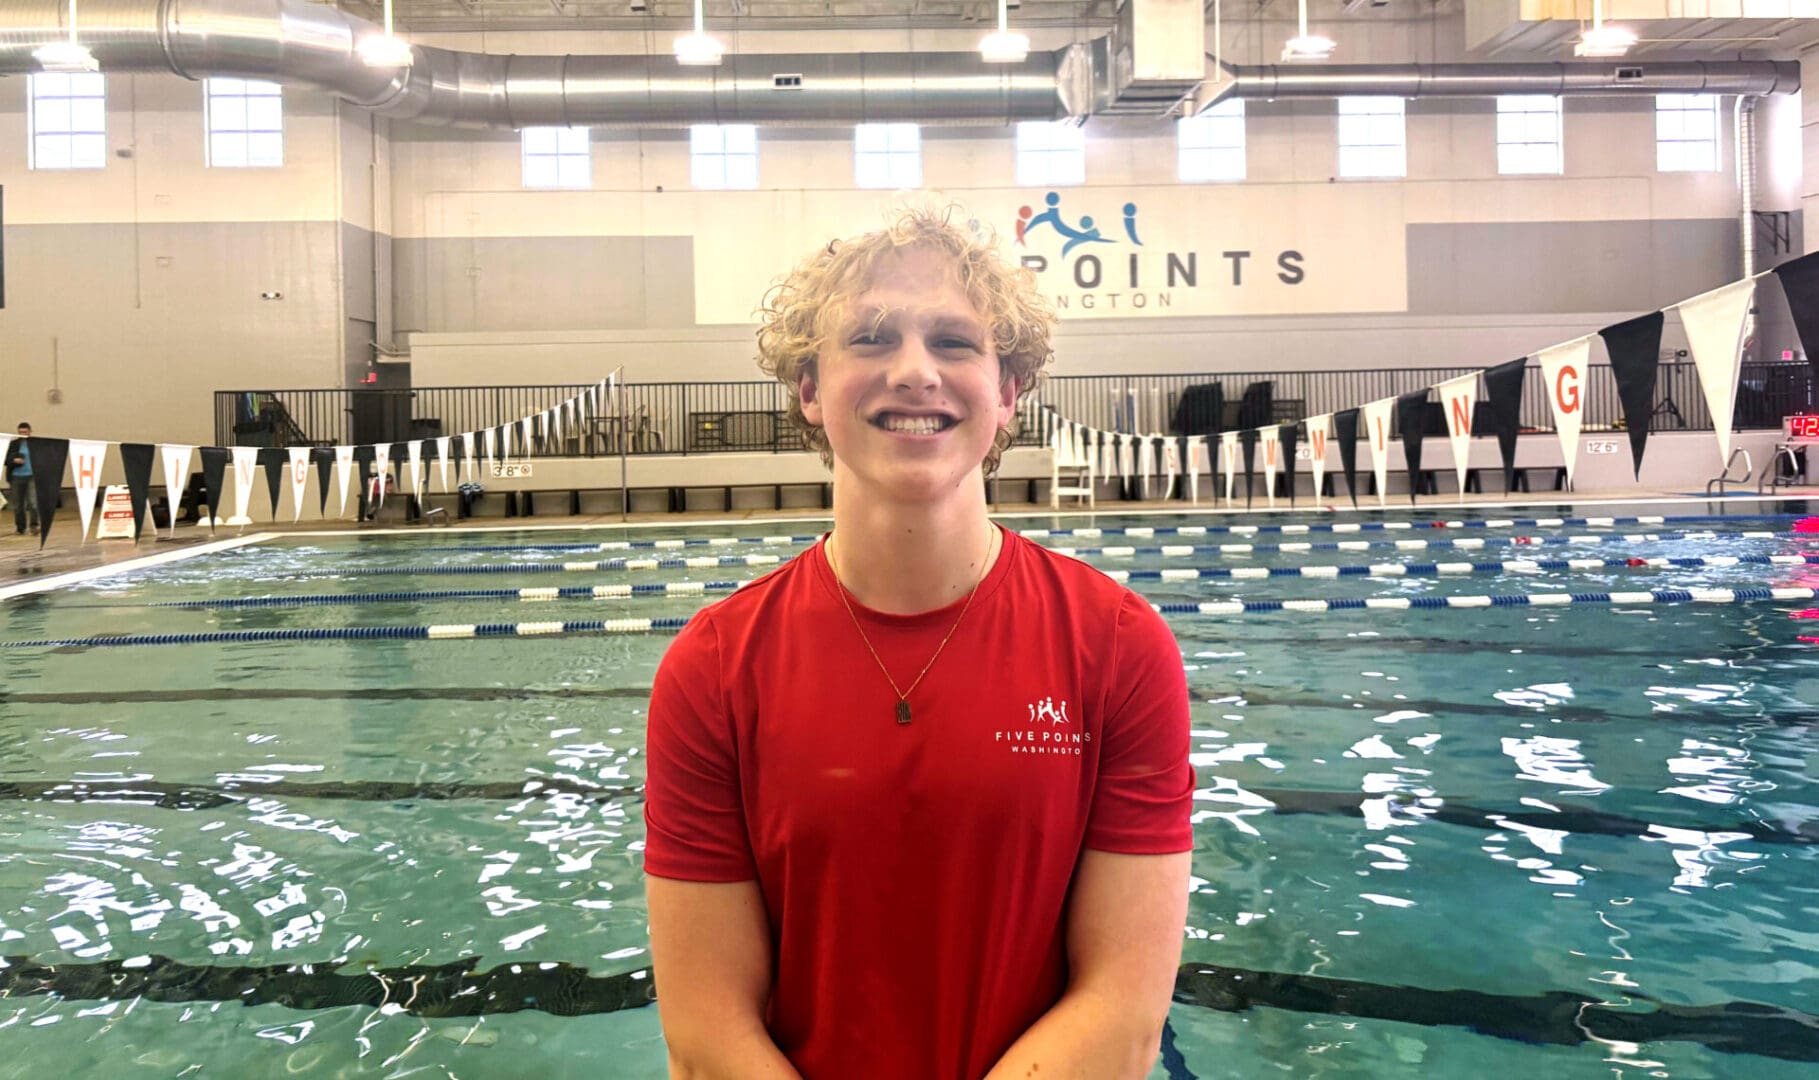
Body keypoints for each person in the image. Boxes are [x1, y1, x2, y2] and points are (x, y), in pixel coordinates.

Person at [643, 205, 1194, 1080]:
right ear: (809, 391)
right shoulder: (714, 667)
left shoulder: (1116, 647)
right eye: (868, 338)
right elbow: (709, 1035)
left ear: (1007, 391)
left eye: (952, 342)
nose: (913, 372)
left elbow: (1123, 1013)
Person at [6, 422, 39, 536]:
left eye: (25, 432)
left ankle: (34, 526)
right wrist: (14, 461)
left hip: (32, 476)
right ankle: (20, 527)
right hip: (16, 476)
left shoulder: (36, 444)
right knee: (18, 505)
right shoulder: (13, 444)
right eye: (20, 433)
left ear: (30, 431)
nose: (23, 434)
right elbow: (5, 460)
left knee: (33, 503)